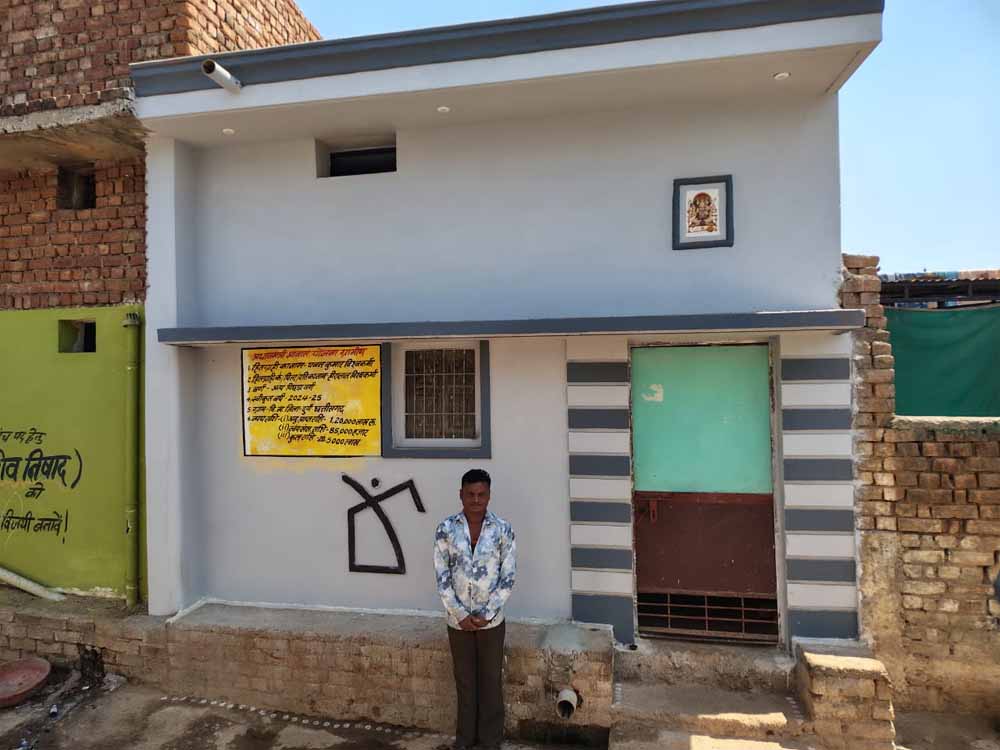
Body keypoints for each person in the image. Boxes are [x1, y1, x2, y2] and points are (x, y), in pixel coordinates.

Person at [433, 468, 517, 750]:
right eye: (470, 494)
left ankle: (490, 741)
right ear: (461, 495)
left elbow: (508, 577)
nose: (476, 500)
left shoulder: (503, 530)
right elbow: (442, 577)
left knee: (491, 682)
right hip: (457, 622)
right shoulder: (446, 529)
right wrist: (460, 614)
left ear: (489, 495)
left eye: (481, 494)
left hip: (491, 622)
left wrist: (486, 613)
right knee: (465, 683)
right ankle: (465, 740)